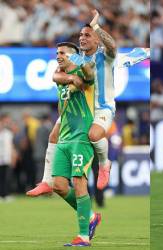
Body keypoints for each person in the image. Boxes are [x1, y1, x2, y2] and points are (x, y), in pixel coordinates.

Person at [27, 9, 117, 196]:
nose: (82, 38)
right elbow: (56, 74)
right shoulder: (76, 57)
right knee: (53, 135)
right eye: (81, 35)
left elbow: (113, 46)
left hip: (102, 107)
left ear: (96, 39)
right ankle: (46, 181)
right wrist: (70, 79)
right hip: (80, 109)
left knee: (93, 134)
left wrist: (96, 27)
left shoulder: (104, 56)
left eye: (87, 35)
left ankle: (104, 164)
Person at [52, 42, 100, 247]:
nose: (58, 56)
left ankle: (83, 236)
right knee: (59, 186)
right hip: (64, 138)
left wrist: (81, 69)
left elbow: (89, 77)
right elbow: (57, 76)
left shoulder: (84, 70)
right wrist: (72, 78)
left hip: (81, 137)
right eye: (57, 53)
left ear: (73, 56)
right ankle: (90, 216)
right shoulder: (60, 74)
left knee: (79, 182)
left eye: (62, 53)